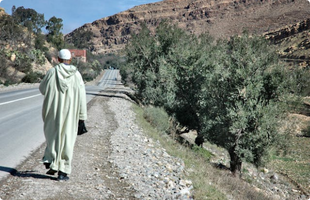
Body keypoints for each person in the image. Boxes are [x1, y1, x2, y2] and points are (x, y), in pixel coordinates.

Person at [39, 49, 87, 181]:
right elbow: (82, 97)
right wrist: (82, 117)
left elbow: (42, 89)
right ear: (70, 60)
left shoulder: (51, 72)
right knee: (67, 140)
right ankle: (63, 172)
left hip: (53, 111)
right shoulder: (77, 75)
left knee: (52, 136)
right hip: (70, 113)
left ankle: (51, 160)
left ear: (58, 59)